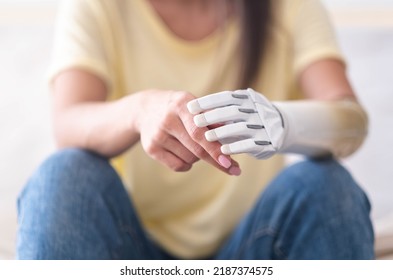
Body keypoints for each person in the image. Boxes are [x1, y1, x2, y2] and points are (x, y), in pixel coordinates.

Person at [16, 0, 374, 259]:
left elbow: (350, 120)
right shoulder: (99, 7)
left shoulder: (291, 8)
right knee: (63, 176)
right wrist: (140, 110)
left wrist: (281, 121)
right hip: (135, 252)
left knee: (326, 186)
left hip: (253, 250)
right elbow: (68, 123)